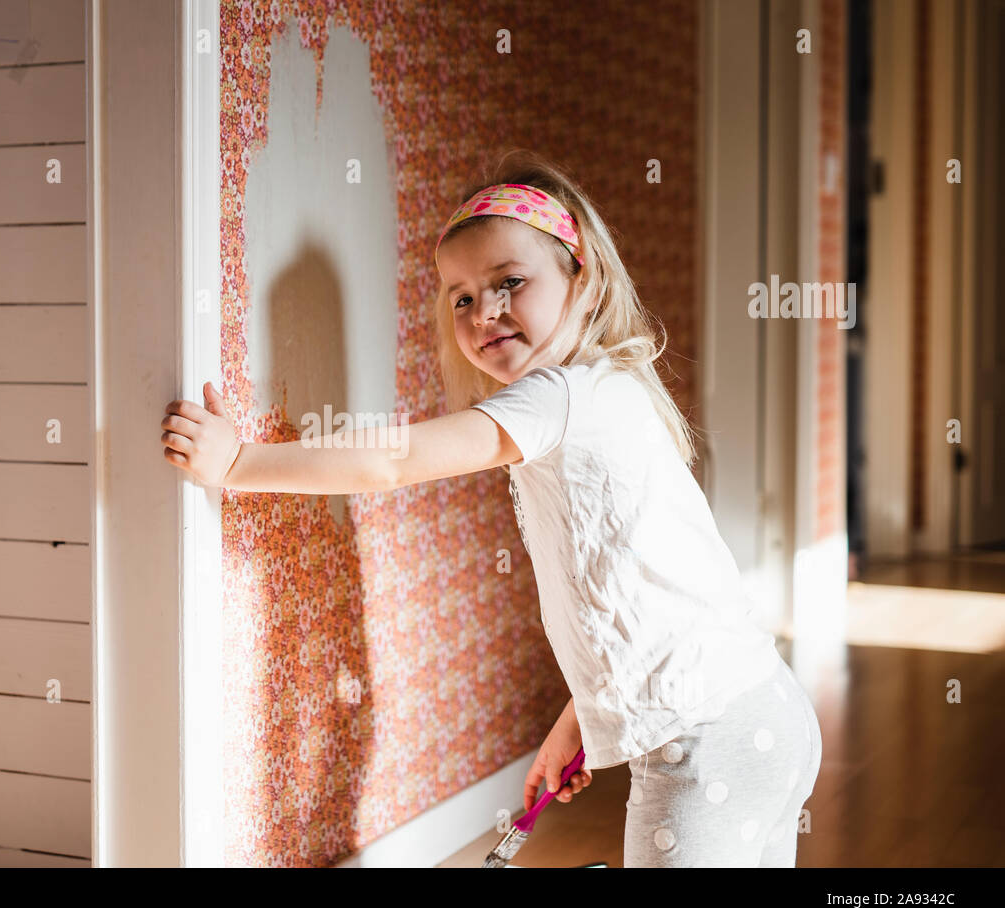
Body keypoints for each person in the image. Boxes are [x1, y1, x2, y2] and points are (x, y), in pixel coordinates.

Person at [160, 149, 822, 867]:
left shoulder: (556, 398)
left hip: (705, 746)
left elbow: (394, 458)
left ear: (585, 279)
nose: (486, 313)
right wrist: (585, 714)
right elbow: (650, 590)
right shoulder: (606, 389)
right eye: (463, 297)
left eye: (509, 282)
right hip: (761, 712)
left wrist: (236, 463)